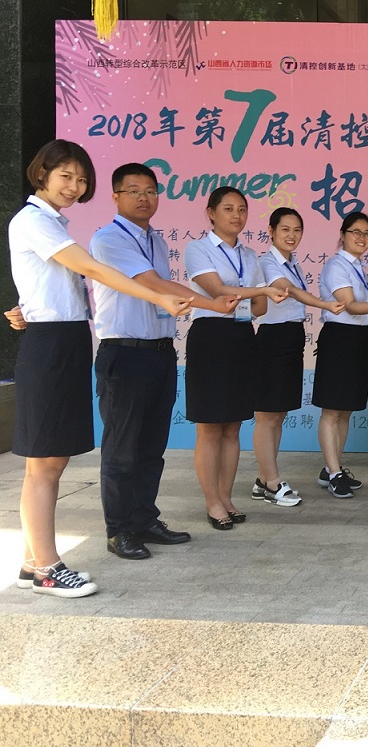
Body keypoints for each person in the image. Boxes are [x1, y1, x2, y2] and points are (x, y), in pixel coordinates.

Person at [9, 140, 190, 596]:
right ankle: (47, 567)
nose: (74, 186)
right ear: (42, 174)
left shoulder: (53, 222)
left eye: (81, 179)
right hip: (52, 345)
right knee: (45, 464)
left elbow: (52, 286)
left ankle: (33, 562)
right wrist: (158, 296)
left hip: (67, 338)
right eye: (65, 176)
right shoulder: (34, 220)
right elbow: (92, 269)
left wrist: (27, 308)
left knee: (53, 460)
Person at [89, 163, 237, 561]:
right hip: (124, 352)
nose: (144, 198)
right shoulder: (108, 239)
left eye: (150, 191)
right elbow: (152, 284)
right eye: (134, 190)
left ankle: (144, 520)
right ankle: (119, 530)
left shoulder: (155, 239)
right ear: (116, 197)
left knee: (151, 447)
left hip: (159, 352)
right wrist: (213, 304)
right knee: (122, 449)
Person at [184, 187, 287, 530]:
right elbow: (217, 291)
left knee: (233, 426)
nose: (237, 215)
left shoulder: (250, 255)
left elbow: (259, 307)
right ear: (211, 213)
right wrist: (260, 291)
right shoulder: (198, 249)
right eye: (228, 209)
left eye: (242, 209)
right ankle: (212, 501)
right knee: (210, 427)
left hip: (243, 337)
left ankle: (226, 498)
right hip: (210, 337)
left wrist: (257, 296)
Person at [253, 207, 347, 507]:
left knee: (278, 414)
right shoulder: (267, 262)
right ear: (271, 231)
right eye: (285, 229)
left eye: (297, 230)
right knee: (267, 416)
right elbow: (288, 290)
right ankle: (271, 482)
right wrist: (325, 304)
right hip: (272, 338)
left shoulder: (294, 263)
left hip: (292, 336)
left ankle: (263, 479)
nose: (292, 235)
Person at [313, 212, 368, 497]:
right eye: (355, 232)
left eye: (367, 233)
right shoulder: (337, 265)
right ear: (343, 234)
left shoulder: (357, 266)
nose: (362, 238)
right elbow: (348, 304)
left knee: (345, 409)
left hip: (359, 339)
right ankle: (334, 473)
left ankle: (331, 468)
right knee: (332, 410)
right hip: (340, 339)